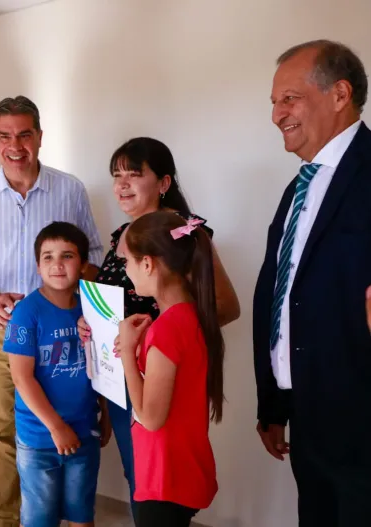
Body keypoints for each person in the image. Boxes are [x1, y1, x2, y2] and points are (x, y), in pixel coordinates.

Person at [0, 95, 103, 527]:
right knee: (3, 431)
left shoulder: (70, 189)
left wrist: (75, 303)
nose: (15, 146)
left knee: (64, 420)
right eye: (5, 136)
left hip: (63, 333)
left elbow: (94, 256)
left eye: (24, 134)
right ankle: (7, 519)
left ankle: (61, 514)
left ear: (40, 136)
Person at [77, 137, 239, 522]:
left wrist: (159, 337)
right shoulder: (121, 236)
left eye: (134, 174)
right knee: (140, 476)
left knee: (158, 489)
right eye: (116, 175)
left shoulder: (184, 234)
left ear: (164, 183)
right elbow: (114, 304)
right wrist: (94, 324)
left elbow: (225, 307)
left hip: (158, 378)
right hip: (122, 376)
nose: (122, 184)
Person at [253, 40, 371, 526]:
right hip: (307, 414)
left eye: (290, 99)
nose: (277, 114)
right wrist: (273, 403)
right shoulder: (300, 186)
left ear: (340, 94)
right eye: (274, 102)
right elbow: (282, 294)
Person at [116, 211, 223, 527]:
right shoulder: (190, 317)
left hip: (165, 477)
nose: (126, 269)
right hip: (179, 468)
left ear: (147, 264)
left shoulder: (167, 329)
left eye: (128, 261)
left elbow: (151, 418)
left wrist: (127, 355)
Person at [3, 222, 110, 527]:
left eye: (67, 256)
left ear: (84, 264)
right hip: (39, 437)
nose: (57, 264)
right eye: (48, 257)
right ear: (38, 266)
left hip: (84, 431)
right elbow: (22, 378)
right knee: (40, 519)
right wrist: (56, 427)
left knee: (82, 514)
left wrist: (104, 414)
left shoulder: (93, 309)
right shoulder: (26, 312)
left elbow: (102, 367)